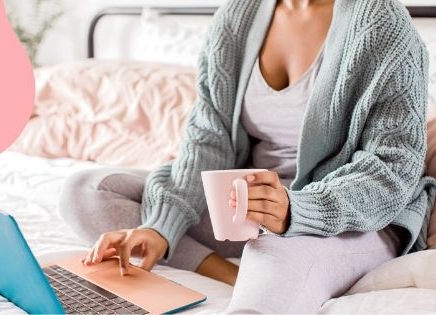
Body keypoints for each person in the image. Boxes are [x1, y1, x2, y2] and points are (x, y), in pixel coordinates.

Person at [59, 0, 436, 312]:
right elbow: (208, 137)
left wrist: (297, 210)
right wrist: (161, 225)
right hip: (252, 208)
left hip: (354, 218)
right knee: (87, 189)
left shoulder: (384, 25)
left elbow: (392, 170)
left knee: (273, 250)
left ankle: (263, 269)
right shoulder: (238, 15)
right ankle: (228, 272)